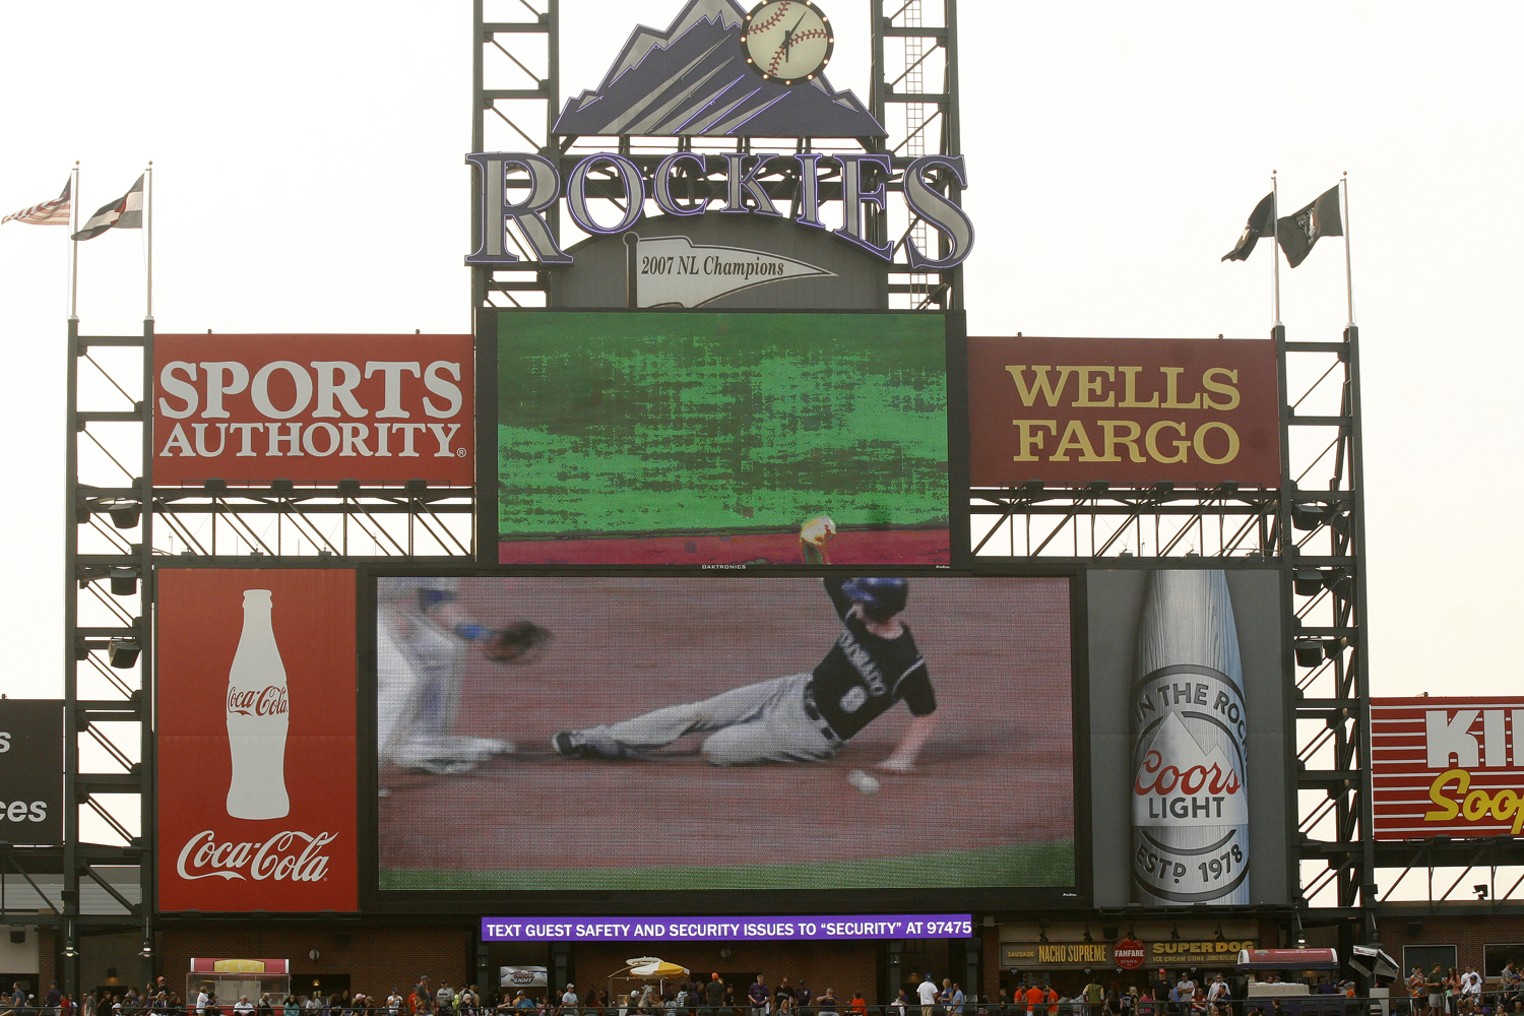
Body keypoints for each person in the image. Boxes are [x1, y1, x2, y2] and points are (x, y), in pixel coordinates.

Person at [553, 577, 937, 767]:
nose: (853, 605)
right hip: (790, 690)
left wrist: (901, 759)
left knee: (715, 750)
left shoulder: (906, 662)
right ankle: (597, 739)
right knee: (698, 712)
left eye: (862, 602)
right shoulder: (859, 613)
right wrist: (814, 542)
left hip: (810, 736)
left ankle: (635, 744)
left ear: (882, 610)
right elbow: (828, 574)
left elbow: (926, 713)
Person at [377, 577, 529, 775]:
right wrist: (385, 609)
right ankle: (357, 767)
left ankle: (420, 744)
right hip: (340, 607)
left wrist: (483, 636)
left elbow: (437, 602)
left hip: (376, 610)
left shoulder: (445, 554)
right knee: (400, 680)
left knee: (442, 650)